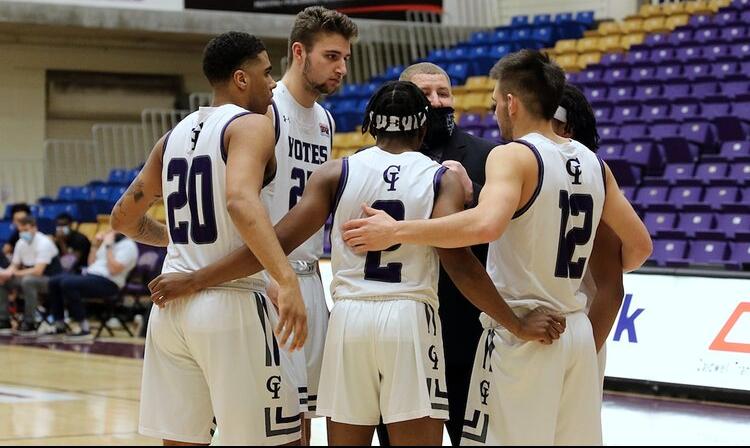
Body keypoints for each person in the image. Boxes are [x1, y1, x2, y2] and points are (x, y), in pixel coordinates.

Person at [147, 80, 561, 446]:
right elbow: (461, 264)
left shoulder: (335, 174)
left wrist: (198, 278)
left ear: (371, 125)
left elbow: (272, 243)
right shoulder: (442, 178)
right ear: (421, 127)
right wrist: (517, 323)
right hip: (409, 319)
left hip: (349, 322)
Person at [340, 50, 653, 445]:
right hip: (574, 329)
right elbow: (640, 247)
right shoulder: (594, 164)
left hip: (524, 330)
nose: (494, 114)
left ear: (511, 102)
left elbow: (485, 226)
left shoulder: (513, 155)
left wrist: (397, 230)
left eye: (494, 103)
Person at [110, 31, 307, 446]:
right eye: (267, 73)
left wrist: (180, 241)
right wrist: (286, 279)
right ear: (241, 79)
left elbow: (123, 219)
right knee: (279, 439)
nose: (273, 83)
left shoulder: (173, 136)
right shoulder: (251, 125)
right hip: (231, 304)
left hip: (171, 309)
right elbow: (239, 200)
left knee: (183, 440)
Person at [376, 62, 494, 447]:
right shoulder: (372, 163)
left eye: (444, 93)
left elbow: (504, 226)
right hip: (397, 338)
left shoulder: (488, 155)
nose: (437, 101)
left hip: (464, 334)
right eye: (426, 94)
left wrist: (472, 191)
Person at [260, 6, 357, 440]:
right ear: (299, 52)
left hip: (310, 275)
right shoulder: (267, 110)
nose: (341, 69)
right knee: (271, 417)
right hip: (268, 276)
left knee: (306, 417)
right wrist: (269, 275)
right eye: (331, 57)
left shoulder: (325, 121)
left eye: (344, 59)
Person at [553, 83, 625, 392]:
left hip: (577, 330)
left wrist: (586, 351)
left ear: (565, 127)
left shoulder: (590, 180)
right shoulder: (531, 171)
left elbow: (614, 284)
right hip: (540, 333)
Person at [41, 230, 138, 341]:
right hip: (91, 276)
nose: (111, 230)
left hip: (109, 282)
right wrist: (95, 246)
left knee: (68, 284)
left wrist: (108, 246)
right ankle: (59, 325)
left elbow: (114, 270)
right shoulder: (108, 242)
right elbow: (91, 264)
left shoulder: (129, 246)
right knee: (54, 281)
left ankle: (84, 329)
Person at [0, 216, 61, 335]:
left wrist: (15, 273)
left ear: (34, 228)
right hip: (28, 277)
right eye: (21, 230)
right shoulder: (20, 243)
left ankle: (30, 322)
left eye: (26, 230)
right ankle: (4, 319)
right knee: (3, 281)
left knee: (28, 281)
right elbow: (14, 265)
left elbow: (38, 271)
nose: (23, 233)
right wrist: (6, 274)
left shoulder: (44, 242)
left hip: (51, 280)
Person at [1, 203, 32, 269]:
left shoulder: (40, 233)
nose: (21, 223)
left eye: (23, 220)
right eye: (18, 220)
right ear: (13, 221)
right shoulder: (16, 234)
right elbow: (5, 251)